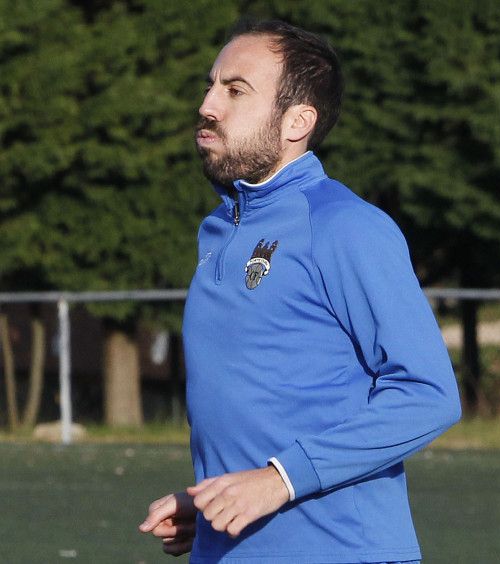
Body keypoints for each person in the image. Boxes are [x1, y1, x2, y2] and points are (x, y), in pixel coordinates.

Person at [138, 20, 461, 562]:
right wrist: (216, 499)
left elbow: (428, 394)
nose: (208, 104)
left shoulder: (344, 225)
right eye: (211, 85)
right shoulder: (218, 230)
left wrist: (277, 482)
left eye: (235, 90)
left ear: (297, 122)